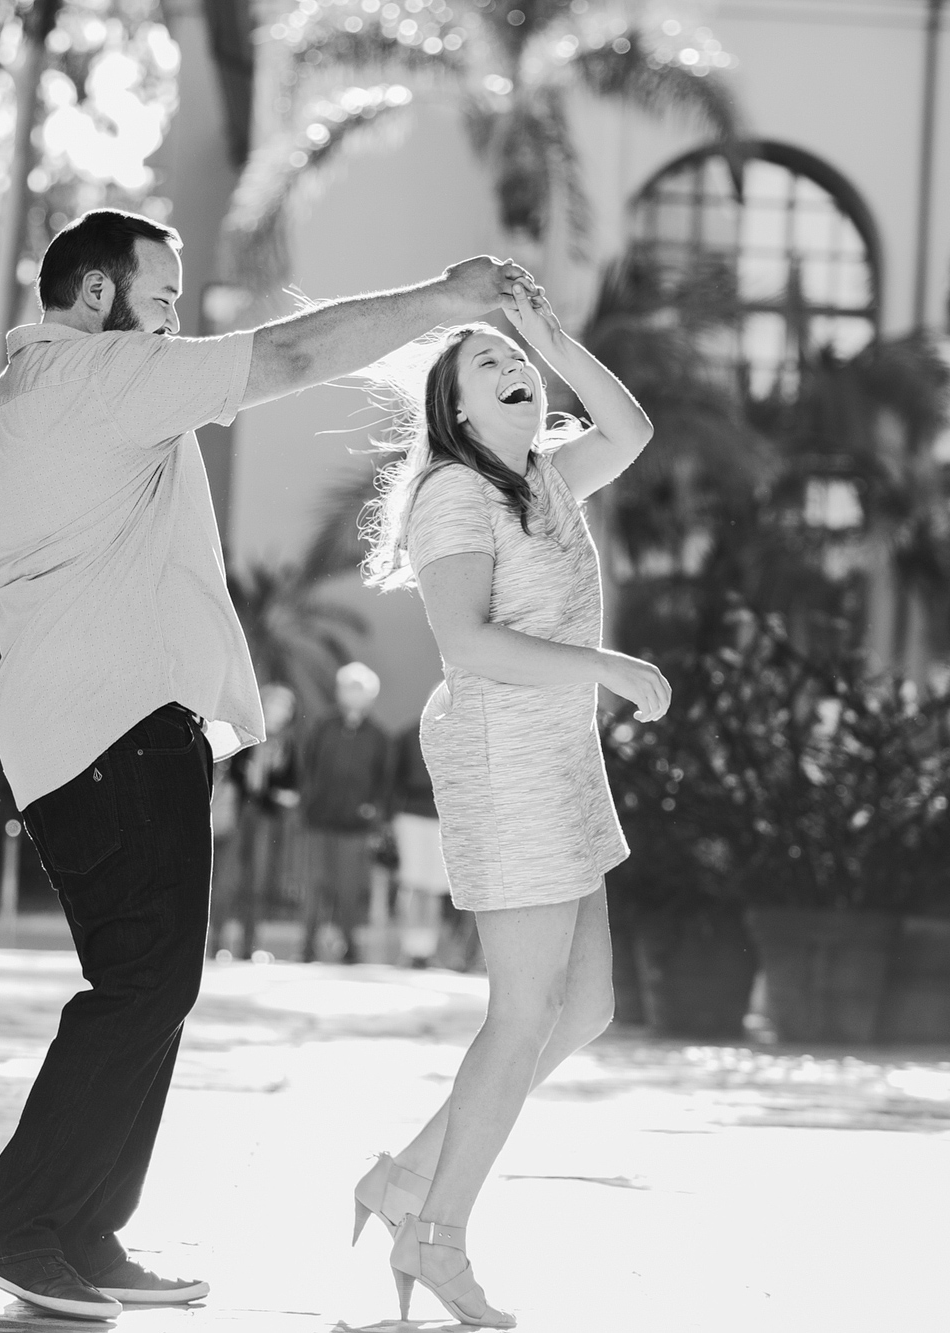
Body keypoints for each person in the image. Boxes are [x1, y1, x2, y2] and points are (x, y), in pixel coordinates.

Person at [0, 205, 537, 1321]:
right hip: (118, 730)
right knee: (140, 984)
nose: (172, 325)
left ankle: (82, 1229)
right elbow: (295, 355)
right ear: (91, 299)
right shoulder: (107, 377)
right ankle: (20, 1230)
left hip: (61, 731)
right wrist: (444, 302)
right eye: (160, 300)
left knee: (153, 981)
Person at [349, 286, 669, 1328]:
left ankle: (404, 1178)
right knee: (521, 1011)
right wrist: (606, 664)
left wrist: (542, 332)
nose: (512, 366)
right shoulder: (455, 493)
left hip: (559, 760)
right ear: (455, 410)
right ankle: (434, 1234)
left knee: (580, 1009)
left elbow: (629, 427)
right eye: (484, 362)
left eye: (515, 357)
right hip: (503, 759)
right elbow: (467, 643)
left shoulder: (543, 477)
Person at [295, 661, 393, 964]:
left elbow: (384, 780)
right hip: (319, 820)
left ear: (370, 696)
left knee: (349, 890)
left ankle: (350, 949)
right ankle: (307, 949)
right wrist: (308, 801)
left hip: (356, 827)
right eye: (348, 688)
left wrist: (373, 812)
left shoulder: (378, 735)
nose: (352, 694)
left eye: (359, 689)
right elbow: (307, 767)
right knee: (314, 887)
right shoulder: (322, 726)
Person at [211, 683, 298, 960]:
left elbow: (291, 785)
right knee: (227, 879)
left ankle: (250, 946)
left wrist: (275, 791)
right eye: (275, 705)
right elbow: (230, 770)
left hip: (265, 818)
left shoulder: (286, 744)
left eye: (285, 708)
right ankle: (216, 943)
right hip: (238, 814)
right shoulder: (244, 733)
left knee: (258, 882)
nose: (279, 712)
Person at [389, 715, 448, 967]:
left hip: (444, 818)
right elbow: (395, 775)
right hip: (411, 815)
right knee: (413, 883)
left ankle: (427, 950)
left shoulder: (463, 729)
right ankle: (409, 948)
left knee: (435, 886)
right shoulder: (409, 734)